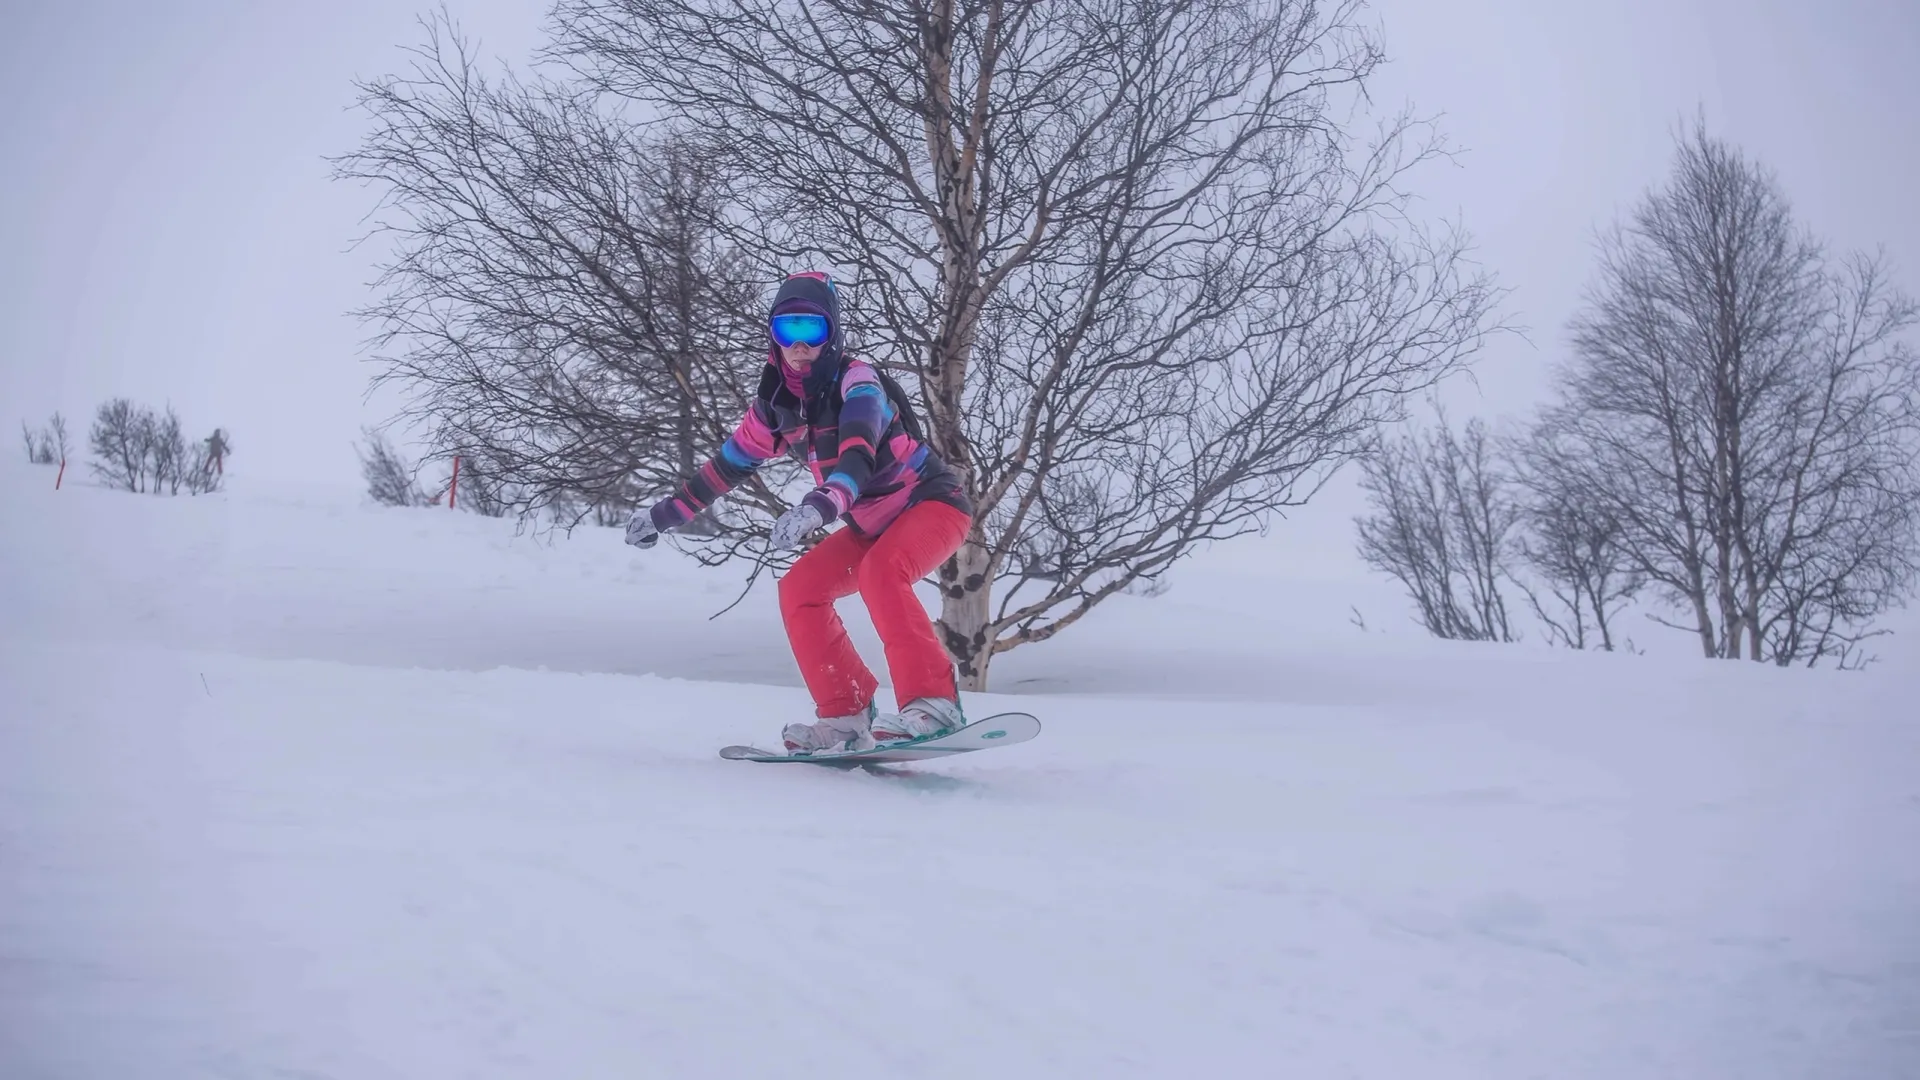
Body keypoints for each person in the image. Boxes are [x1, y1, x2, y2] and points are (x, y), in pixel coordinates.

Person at [624, 271, 975, 754]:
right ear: (774, 336)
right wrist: (662, 517)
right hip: (869, 523)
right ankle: (846, 713)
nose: (799, 344)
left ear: (832, 334)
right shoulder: (775, 406)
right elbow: (725, 469)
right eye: (787, 330)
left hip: (931, 503)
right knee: (800, 590)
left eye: (812, 330)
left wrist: (820, 505)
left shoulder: (859, 384)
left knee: (881, 572)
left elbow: (857, 453)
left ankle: (933, 701)